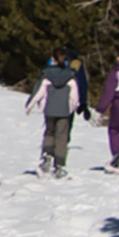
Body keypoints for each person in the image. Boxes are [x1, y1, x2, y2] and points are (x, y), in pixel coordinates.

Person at [26, 46, 83, 177]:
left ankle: (47, 155)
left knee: (49, 133)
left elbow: (39, 92)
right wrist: (72, 108)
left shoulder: (47, 76)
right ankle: (59, 165)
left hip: (49, 110)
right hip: (64, 111)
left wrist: (30, 105)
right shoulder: (71, 77)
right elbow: (74, 97)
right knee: (62, 137)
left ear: (53, 59)